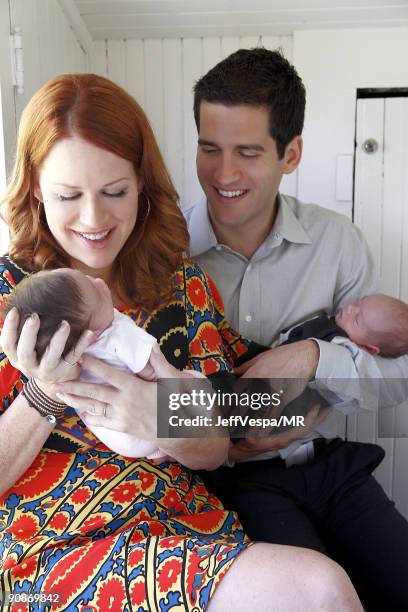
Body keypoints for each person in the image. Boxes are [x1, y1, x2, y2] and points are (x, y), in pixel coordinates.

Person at [0, 73, 362, 611]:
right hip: (57, 547)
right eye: (68, 195)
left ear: (142, 185)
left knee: (323, 589)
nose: (94, 219)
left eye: (115, 192)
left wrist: (162, 415)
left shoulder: (181, 286)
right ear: (34, 189)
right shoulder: (11, 296)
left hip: (187, 530)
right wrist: (44, 394)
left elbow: (216, 449)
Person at [185, 47, 408, 610]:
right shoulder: (164, 256)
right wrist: (228, 447)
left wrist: (312, 356)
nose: (224, 173)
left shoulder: (338, 242)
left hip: (332, 468)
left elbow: (394, 380)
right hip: (229, 486)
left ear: (291, 154)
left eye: (248, 152)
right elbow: (152, 400)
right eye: (209, 148)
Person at [1, 267, 207, 460]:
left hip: (117, 437)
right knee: (197, 384)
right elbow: (150, 366)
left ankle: (156, 449)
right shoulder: (115, 333)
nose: (99, 281)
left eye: (89, 279)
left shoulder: (185, 277)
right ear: (91, 331)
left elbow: (223, 442)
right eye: (96, 292)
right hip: (139, 428)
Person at [280, 293, 408, 357]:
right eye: (358, 302)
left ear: (368, 349)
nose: (350, 308)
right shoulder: (334, 324)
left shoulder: (339, 346)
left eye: (357, 319)